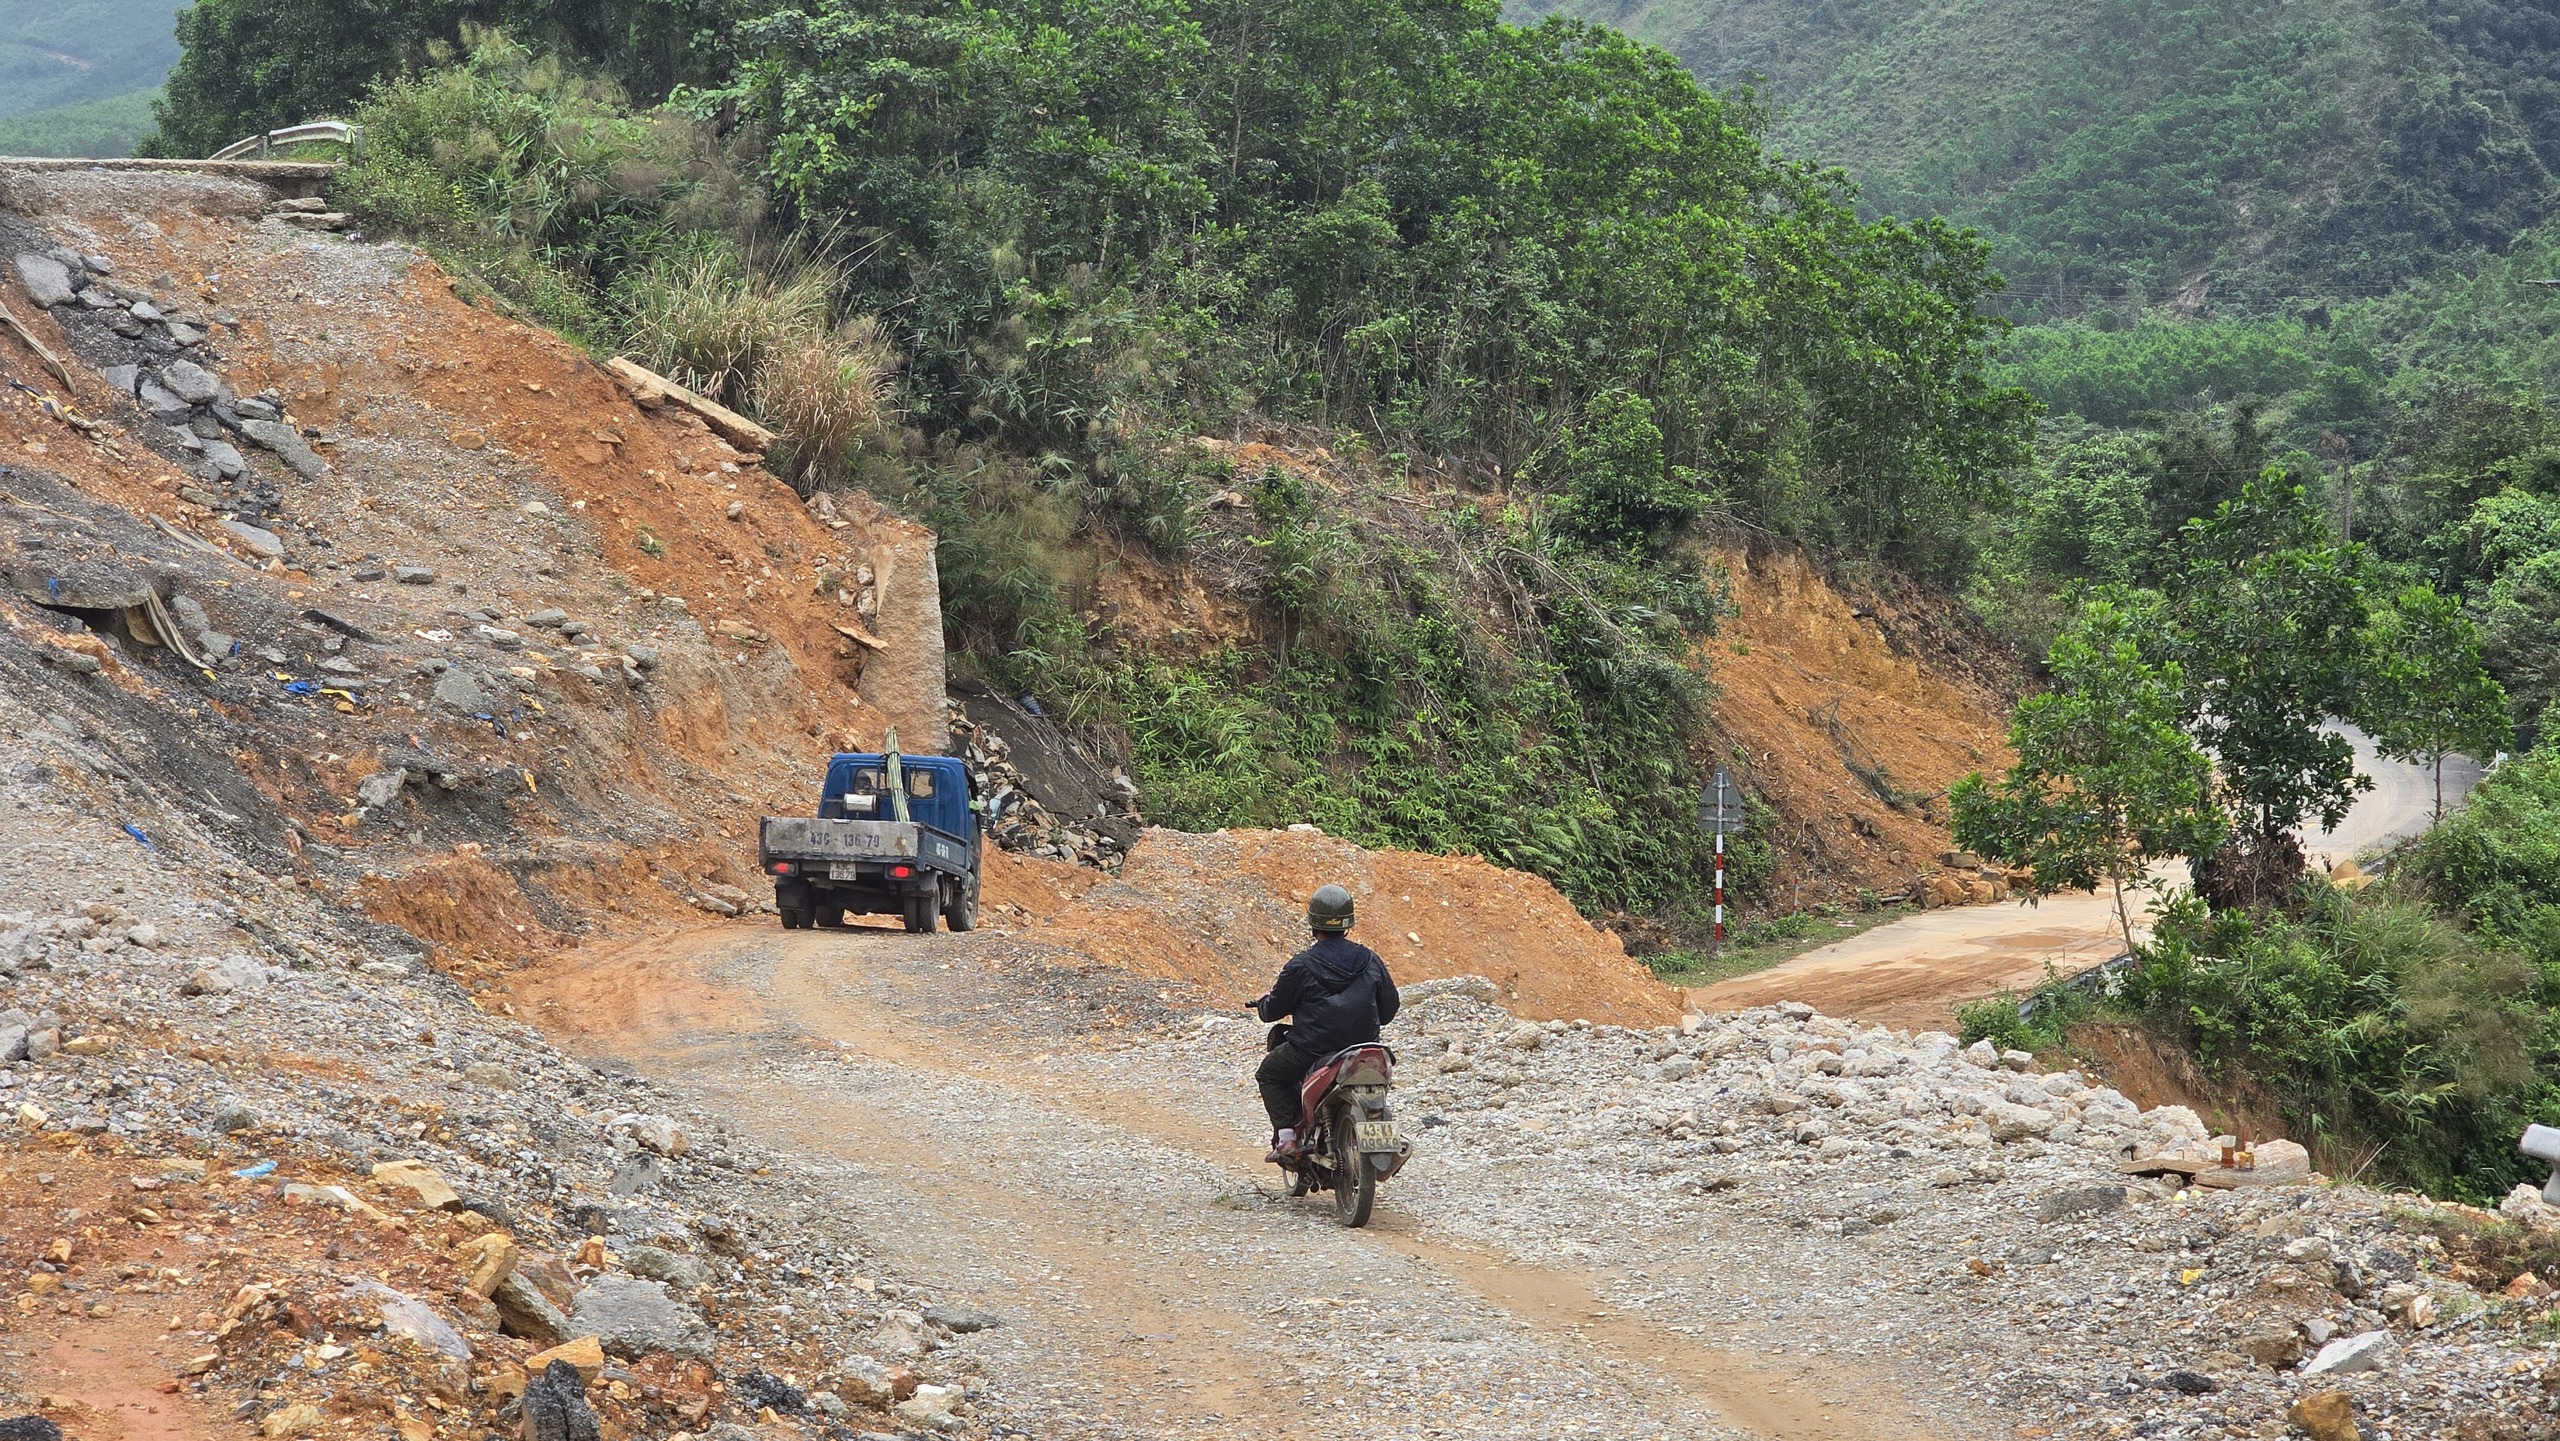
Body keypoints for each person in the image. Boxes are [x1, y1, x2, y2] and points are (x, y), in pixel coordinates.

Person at [1250, 883, 1400, 1161]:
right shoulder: (1370, 960)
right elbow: (1389, 1010)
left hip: (1312, 1051)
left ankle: (1286, 1138)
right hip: (1363, 1051)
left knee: (1269, 1074)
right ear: (1349, 923)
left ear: (1312, 922)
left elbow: (1272, 1012)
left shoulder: (1300, 965)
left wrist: (1263, 1001)